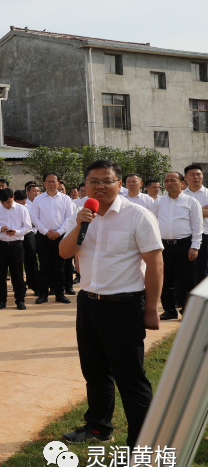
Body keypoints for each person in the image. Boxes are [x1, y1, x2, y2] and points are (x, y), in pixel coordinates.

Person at [59, 159, 163, 448]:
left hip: (124, 306)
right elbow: (64, 252)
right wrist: (79, 224)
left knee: (130, 378)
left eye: (106, 180)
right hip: (89, 303)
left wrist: (152, 309)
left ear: (119, 183)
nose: (100, 186)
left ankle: (142, 444)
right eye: (93, 181)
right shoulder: (83, 214)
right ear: (85, 185)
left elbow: (155, 264)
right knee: (94, 371)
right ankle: (98, 426)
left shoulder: (138, 216)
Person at [151, 171, 202, 320]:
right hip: (164, 246)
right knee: (166, 279)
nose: (169, 183)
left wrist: (195, 246)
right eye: (166, 181)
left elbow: (197, 225)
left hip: (185, 245)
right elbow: (152, 223)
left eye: (173, 180)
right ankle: (169, 310)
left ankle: (188, 311)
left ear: (182, 183)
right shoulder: (158, 202)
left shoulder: (192, 202)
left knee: (188, 280)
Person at [30, 172, 74, 305]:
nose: (51, 184)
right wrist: (45, 231)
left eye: (54, 181)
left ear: (58, 183)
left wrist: (59, 232)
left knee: (59, 268)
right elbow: (34, 217)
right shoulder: (38, 199)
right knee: (44, 267)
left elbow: (70, 217)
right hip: (43, 237)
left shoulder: (66, 199)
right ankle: (43, 294)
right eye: (48, 181)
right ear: (44, 184)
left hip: (61, 237)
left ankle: (60, 294)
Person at [0, 188, 30, 310]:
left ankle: (20, 300)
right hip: (1, 245)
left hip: (16, 245)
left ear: (13, 197)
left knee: (17, 274)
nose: (6, 205)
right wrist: (0, 229)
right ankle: (1, 300)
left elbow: (28, 227)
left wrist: (16, 232)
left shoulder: (22, 209)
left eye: (8, 202)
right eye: (3, 202)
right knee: (0, 274)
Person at [182, 164, 208, 284]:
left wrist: (187, 212)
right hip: (184, 236)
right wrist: (202, 211)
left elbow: (182, 214)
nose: (196, 177)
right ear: (185, 178)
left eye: (198, 174)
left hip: (205, 235)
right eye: (192, 174)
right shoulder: (181, 195)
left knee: (203, 270)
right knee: (183, 270)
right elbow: (177, 213)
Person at [23, 182, 42, 295]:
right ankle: (31, 282)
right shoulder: (24, 205)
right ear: (28, 192)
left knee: (40, 260)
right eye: (34, 191)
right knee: (29, 260)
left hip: (41, 233)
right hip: (28, 234)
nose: (36, 193)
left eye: (38, 191)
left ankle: (40, 283)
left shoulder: (42, 203)